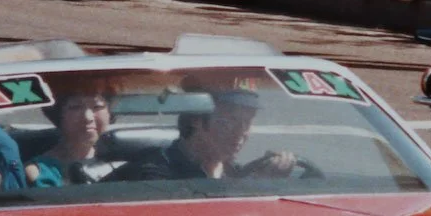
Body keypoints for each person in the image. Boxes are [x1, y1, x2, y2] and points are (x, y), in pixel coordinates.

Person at [107, 78, 297, 180]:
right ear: (196, 120)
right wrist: (253, 188)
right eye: (229, 121)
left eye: (247, 122)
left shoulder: (233, 172)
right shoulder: (153, 174)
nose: (240, 132)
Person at [27, 83, 117, 185]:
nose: (88, 117)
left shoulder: (124, 162)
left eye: (97, 107)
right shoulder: (39, 171)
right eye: (76, 107)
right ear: (59, 114)